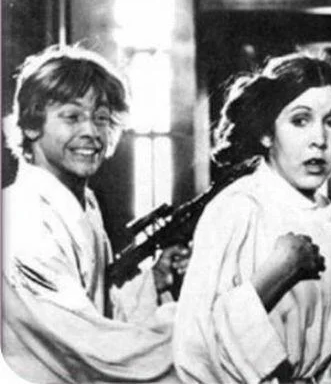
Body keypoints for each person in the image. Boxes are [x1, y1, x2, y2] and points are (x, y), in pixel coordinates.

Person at [173, 53, 331, 383]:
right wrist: (274, 274)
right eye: (300, 121)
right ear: (266, 132)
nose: (319, 140)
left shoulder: (325, 216)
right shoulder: (238, 208)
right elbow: (195, 345)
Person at [2, 44, 190, 383]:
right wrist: (201, 329)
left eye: (101, 118)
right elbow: (89, 347)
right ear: (31, 125)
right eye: (72, 116)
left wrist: (153, 280)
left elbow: (96, 311)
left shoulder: (83, 204)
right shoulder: (21, 219)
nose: (91, 132)